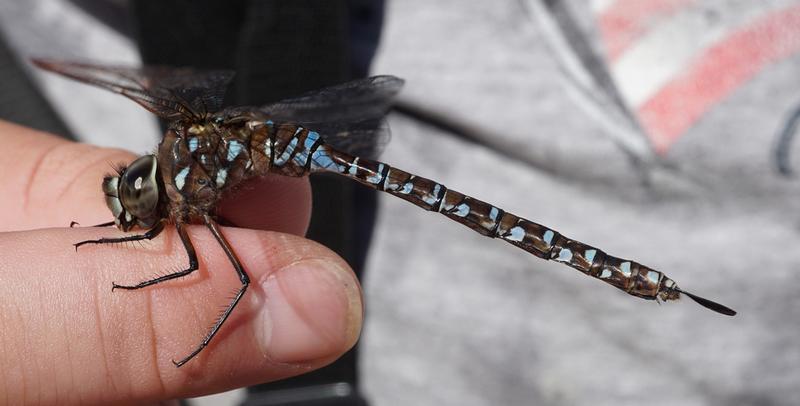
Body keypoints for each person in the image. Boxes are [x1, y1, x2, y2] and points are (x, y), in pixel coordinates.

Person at [0, 119, 364, 404]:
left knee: (235, 276)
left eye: (135, 195)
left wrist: (195, 344)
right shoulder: (181, 176)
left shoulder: (188, 192)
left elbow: (191, 263)